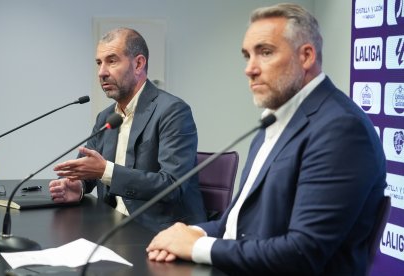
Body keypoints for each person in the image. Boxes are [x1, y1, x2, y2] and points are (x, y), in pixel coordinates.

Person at [146, 3, 387, 275]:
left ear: (306, 56)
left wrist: (197, 247)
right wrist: (189, 232)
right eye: (247, 56)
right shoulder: (275, 118)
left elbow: (302, 253)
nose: (249, 69)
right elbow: (237, 224)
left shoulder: (341, 129)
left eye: (265, 52)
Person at [49, 27, 207, 232]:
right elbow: (88, 171)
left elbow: (172, 186)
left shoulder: (172, 111)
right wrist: (76, 187)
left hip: (161, 231)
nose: (102, 72)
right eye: (99, 63)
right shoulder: (106, 117)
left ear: (138, 64)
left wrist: (105, 171)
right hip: (111, 226)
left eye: (112, 60)